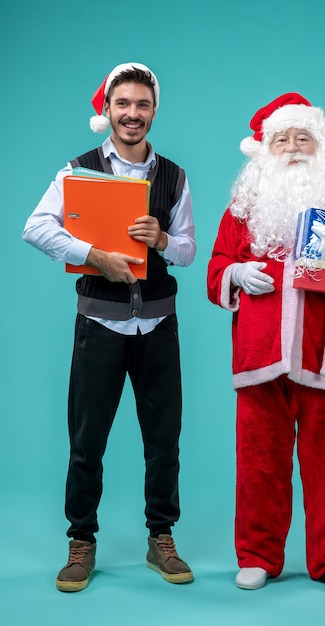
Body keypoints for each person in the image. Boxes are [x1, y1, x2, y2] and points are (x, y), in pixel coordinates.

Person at [207, 93, 325, 593]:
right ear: (265, 148)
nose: (293, 148)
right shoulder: (244, 209)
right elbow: (216, 267)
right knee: (259, 464)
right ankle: (258, 555)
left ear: (321, 146)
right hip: (259, 354)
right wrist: (236, 272)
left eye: (303, 137)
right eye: (282, 138)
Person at [23, 62, 196, 591]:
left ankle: (160, 538)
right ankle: (82, 542)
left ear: (154, 111)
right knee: (86, 441)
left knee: (164, 441)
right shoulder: (76, 171)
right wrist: (94, 255)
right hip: (98, 325)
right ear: (108, 110)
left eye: (143, 104)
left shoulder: (174, 176)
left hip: (159, 328)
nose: (133, 114)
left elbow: (188, 252)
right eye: (124, 104)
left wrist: (163, 241)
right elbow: (35, 228)